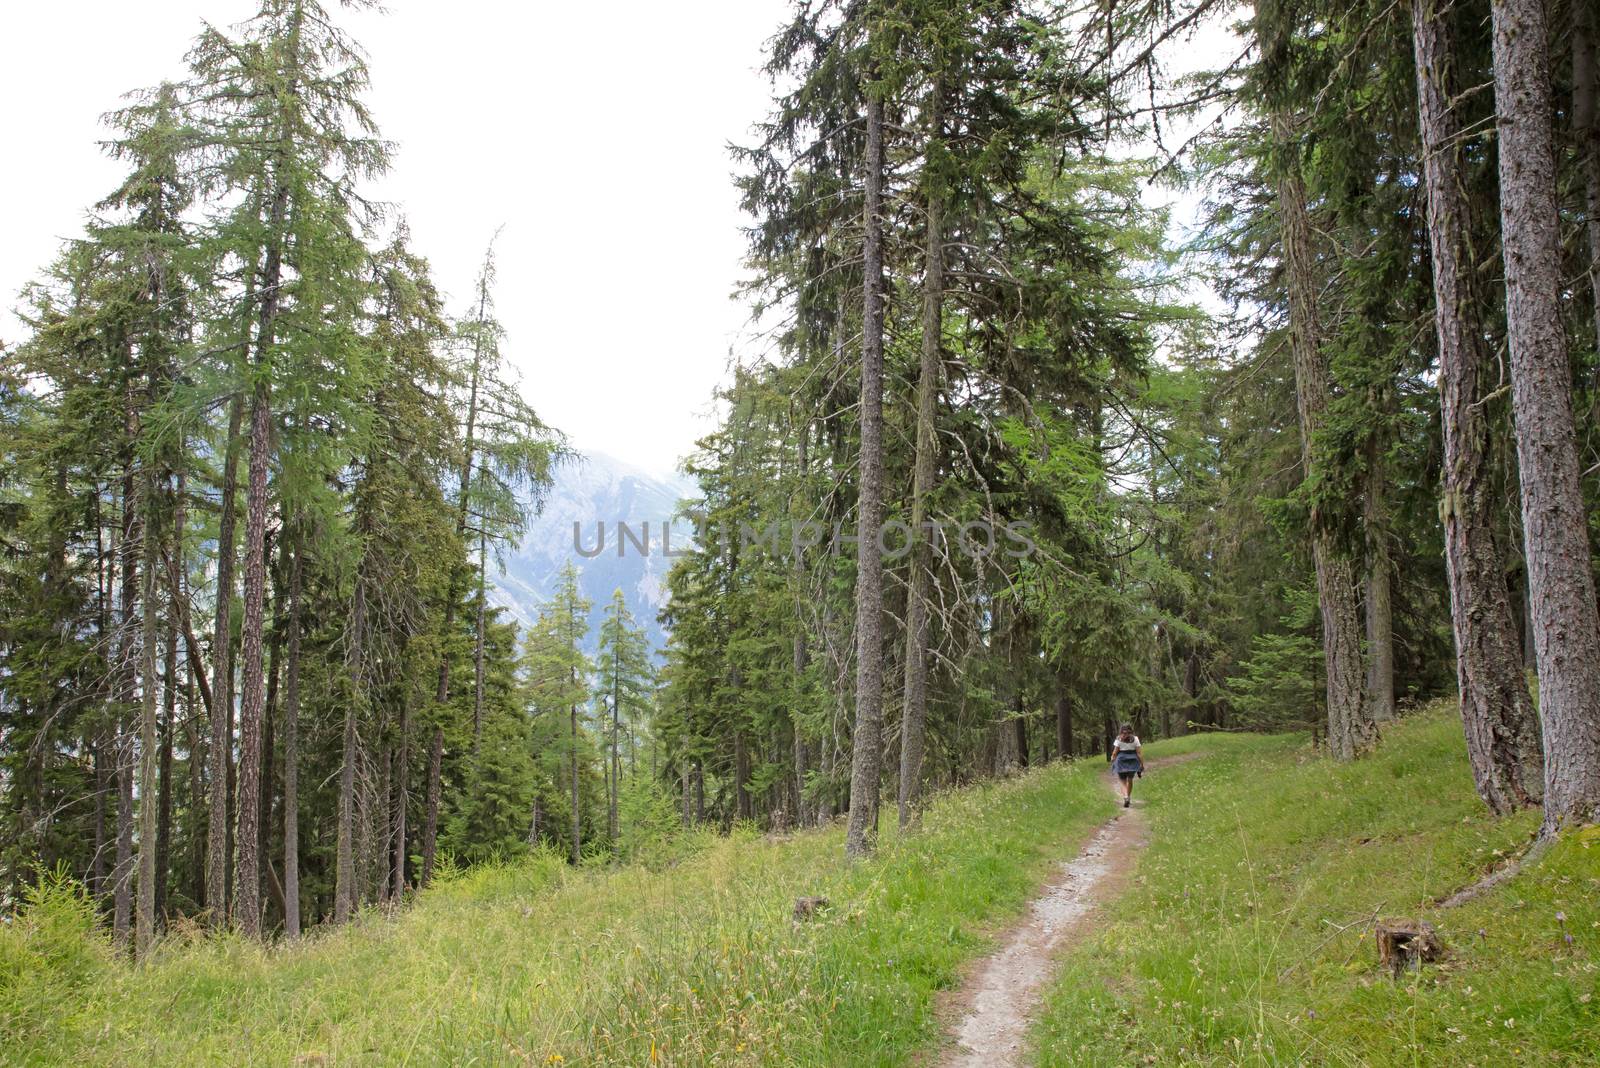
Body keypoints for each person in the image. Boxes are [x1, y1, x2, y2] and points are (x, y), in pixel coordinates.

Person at [1111, 723, 1144, 808]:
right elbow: (1139, 753)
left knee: (1122, 781)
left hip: (1121, 761)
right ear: (1131, 731)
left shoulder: (1119, 739)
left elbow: (1115, 753)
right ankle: (1128, 797)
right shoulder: (1135, 739)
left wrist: (1112, 760)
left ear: (1121, 731)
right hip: (1133, 761)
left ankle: (1125, 797)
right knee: (1130, 780)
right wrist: (1142, 764)